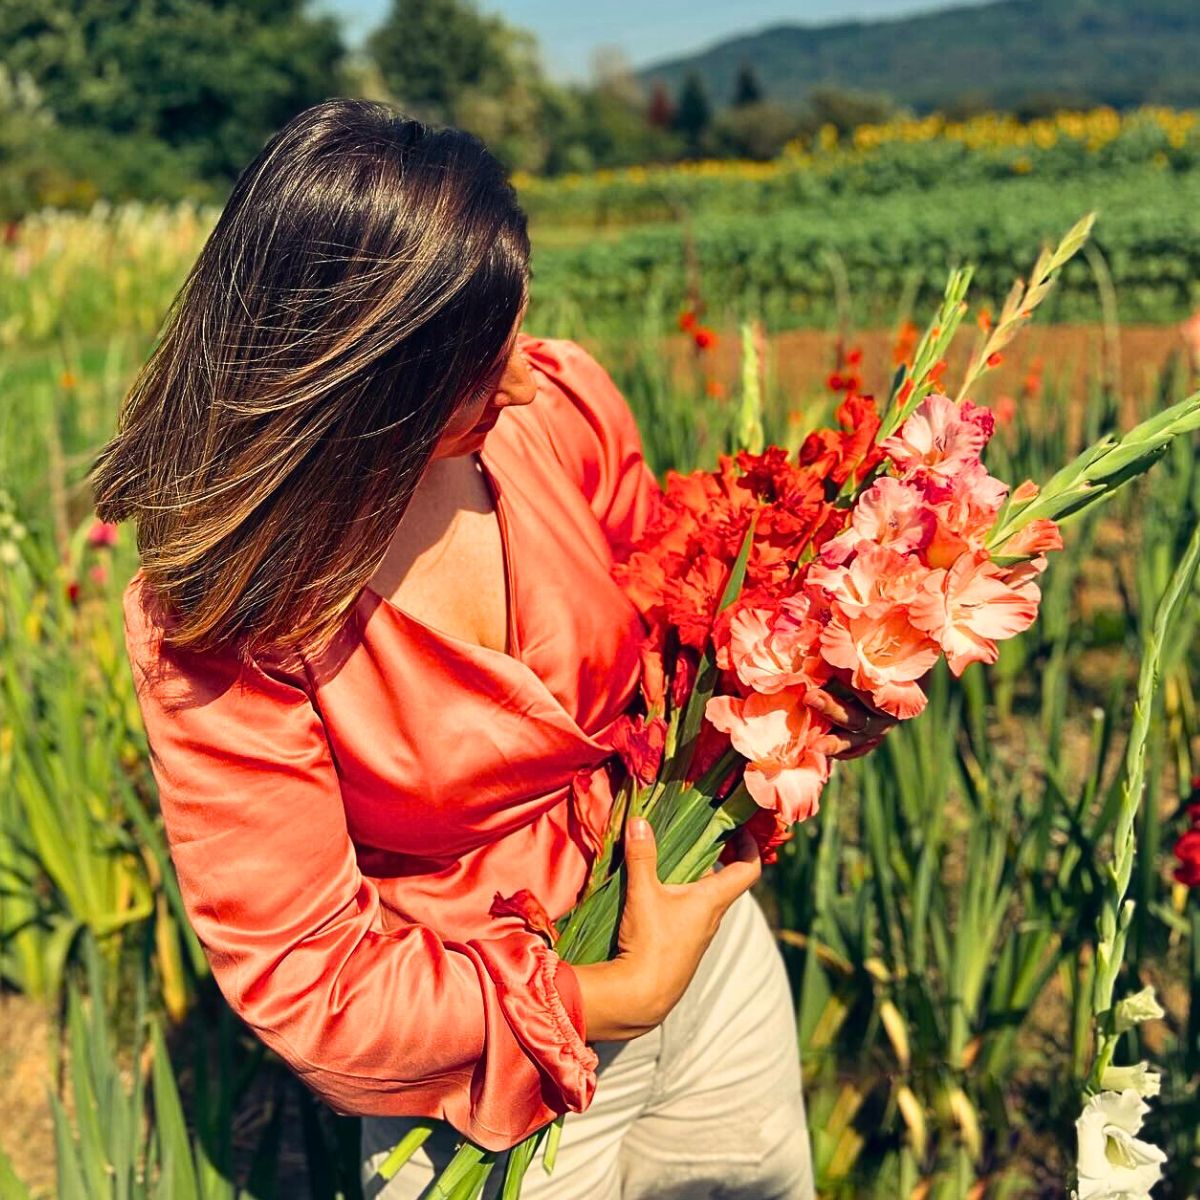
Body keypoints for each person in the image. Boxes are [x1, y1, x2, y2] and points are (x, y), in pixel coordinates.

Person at [89, 99, 890, 1198]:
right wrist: (607, 995)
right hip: (481, 1074)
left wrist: (808, 692)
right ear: (369, 382)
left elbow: (677, 648)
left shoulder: (557, 415)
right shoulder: (231, 619)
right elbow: (309, 977)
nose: (523, 375)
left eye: (515, 329)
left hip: (709, 961)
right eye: (480, 361)